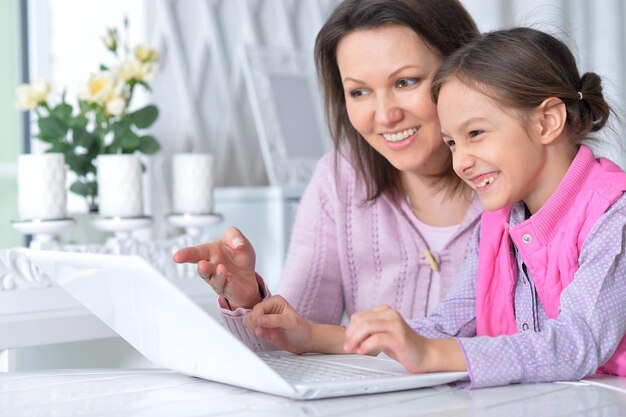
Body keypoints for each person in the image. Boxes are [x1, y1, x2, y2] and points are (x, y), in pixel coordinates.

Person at [240, 27, 626, 387]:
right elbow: (448, 326)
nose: (461, 162)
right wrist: (312, 336)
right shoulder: (498, 221)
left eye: (475, 133)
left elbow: (580, 342)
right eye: (453, 143)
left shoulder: (614, 215)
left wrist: (429, 353)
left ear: (547, 121)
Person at [174, 0, 482, 347]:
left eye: (406, 81)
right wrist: (248, 300)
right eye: (359, 92)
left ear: (464, 70)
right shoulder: (340, 179)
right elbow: (296, 338)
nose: (384, 115)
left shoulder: (514, 180)